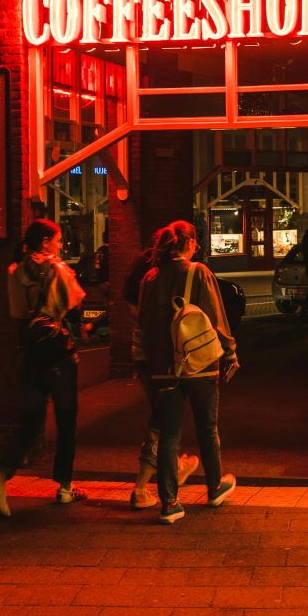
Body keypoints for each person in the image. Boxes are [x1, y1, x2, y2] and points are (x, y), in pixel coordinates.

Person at [136, 220, 239, 524]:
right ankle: (215, 487)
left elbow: (143, 324)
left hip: (164, 368)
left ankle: (169, 503)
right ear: (190, 243)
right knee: (207, 428)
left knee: (169, 435)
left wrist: (143, 362)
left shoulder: (150, 278)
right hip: (200, 366)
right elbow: (217, 316)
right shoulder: (199, 272)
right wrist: (230, 352)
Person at [0, 219, 88, 517]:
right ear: (44, 242)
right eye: (56, 240)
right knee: (67, 421)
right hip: (58, 353)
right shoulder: (56, 270)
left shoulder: (15, 272)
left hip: (30, 352)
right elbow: (74, 300)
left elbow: (17, 311)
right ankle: (65, 487)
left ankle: (0, 481)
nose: (59, 245)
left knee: (30, 423)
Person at [123, 228, 199, 510]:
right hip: (164, 355)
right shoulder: (164, 273)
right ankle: (142, 487)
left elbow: (133, 308)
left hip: (143, 352)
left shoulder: (147, 269)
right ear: (185, 243)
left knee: (163, 415)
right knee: (162, 420)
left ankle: (172, 467)